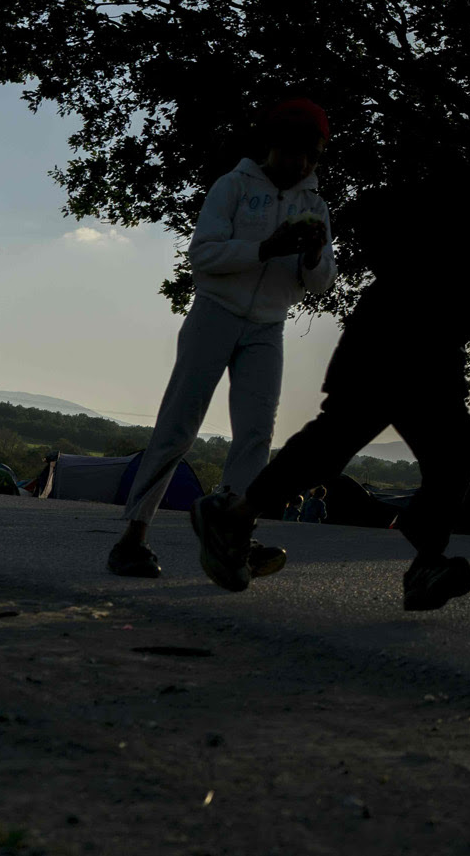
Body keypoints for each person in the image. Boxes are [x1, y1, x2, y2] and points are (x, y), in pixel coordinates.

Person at [190, 133, 470, 611]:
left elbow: (469, 299)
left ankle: (423, 558)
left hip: (424, 357)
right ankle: (239, 515)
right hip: (388, 348)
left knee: (432, 446)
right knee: (347, 443)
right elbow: (436, 277)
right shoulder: (450, 205)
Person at [105, 100, 335, 579]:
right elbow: (204, 255)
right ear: (271, 146)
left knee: (256, 433)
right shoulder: (234, 186)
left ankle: (234, 533)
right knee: (178, 425)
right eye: (293, 152)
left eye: (311, 156)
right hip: (215, 314)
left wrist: (313, 256)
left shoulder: (315, 207)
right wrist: (265, 248)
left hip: (268, 326)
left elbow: (321, 284)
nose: (301, 164)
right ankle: (133, 536)